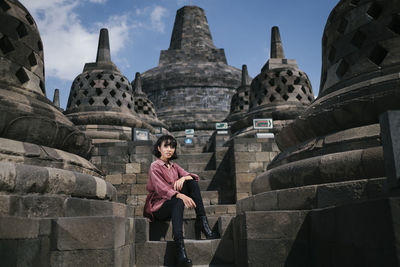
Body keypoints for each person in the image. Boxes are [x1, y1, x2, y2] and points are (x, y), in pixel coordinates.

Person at [144, 134, 219, 267]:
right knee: (178, 201)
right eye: (166, 146)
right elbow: (161, 190)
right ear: (159, 148)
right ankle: (180, 252)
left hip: (172, 201)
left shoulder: (174, 166)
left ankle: (202, 221)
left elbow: (193, 177)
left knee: (192, 183)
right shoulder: (155, 166)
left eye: (172, 146)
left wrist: (183, 178)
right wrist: (180, 195)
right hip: (159, 207)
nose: (169, 149)